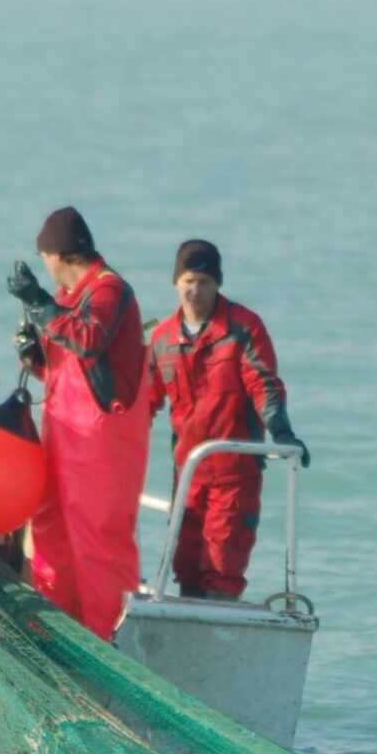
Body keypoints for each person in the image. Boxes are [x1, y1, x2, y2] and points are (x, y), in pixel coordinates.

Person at [6, 206, 149, 640]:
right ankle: (55, 633)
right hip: (63, 436)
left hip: (101, 444)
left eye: (45, 257)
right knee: (51, 532)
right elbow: (62, 369)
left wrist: (38, 303)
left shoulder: (109, 291)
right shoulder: (67, 300)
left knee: (99, 544)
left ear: (57, 254)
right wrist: (33, 355)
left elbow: (88, 341)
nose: (45, 267)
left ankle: (106, 642)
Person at [146, 239, 308, 600]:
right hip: (188, 474)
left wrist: (281, 430)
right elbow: (142, 402)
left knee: (222, 564)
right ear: (175, 282)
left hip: (234, 473)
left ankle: (219, 620)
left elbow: (263, 382)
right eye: (188, 281)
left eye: (204, 282)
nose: (195, 290)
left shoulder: (243, 328)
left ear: (218, 283)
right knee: (185, 563)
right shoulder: (161, 339)